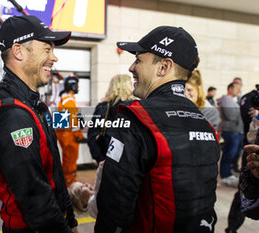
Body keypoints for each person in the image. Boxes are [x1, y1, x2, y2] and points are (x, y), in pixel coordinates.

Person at [94, 26, 220, 233]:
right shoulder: (204, 121)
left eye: (138, 60)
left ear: (164, 67)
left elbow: (115, 204)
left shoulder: (137, 117)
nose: (131, 68)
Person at [0, 15, 78, 233]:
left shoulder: (34, 106)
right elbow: (35, 200)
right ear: (18, 51)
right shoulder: (12, 117)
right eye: (47, 49)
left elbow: (55, 176)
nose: (54, 58)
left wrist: (70, 219)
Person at [225, 85, 259, 233]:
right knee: (243, 195)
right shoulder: (250, 97)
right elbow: (251, 132)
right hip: (252, 158)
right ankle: (232, 228)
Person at [87, 74, 134, 163]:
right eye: (131, 83)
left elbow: (92, 134)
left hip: (106, 156)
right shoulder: (132, 106)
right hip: (126, 159)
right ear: (124, 86)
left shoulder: (103, 106)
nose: (133, 86)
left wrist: (99, 158)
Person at [56, 74, 85, 187]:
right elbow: (72, 118)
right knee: (70, 159)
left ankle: (70, 181)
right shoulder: (68, 98)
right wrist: (79, 135)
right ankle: (69, 184)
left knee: (69, 159)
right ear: (72, 85)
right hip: (68, 134)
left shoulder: (66, 97)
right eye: (76, 84)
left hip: (64, 133)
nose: (78, 87)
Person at [218, 82, 244, 187]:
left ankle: (228, 173)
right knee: (228, 154)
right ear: (230, 88)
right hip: (230, 131)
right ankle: (225, 176)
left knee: (233, 154)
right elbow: (231, 116)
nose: (239, 91)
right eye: (237, 88)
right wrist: (241, 111)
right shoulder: (225, 99)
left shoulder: (234, 100)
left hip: (237, 131)